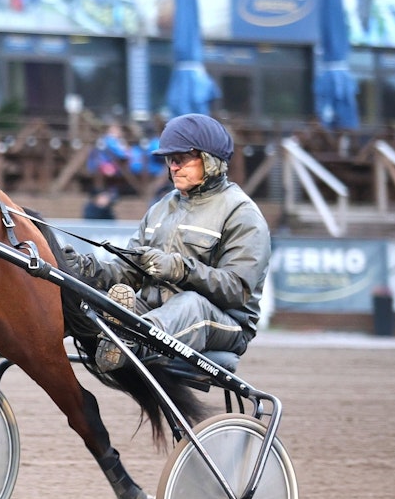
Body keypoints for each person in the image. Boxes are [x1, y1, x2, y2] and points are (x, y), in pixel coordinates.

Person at [64, 113, 271, 372]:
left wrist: (180, 269)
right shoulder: (161, 208)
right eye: (170, 160)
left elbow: (238, 290)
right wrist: (84, 268)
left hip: (223, 323)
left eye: (182, 159)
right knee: (85, 300)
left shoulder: (241, 213)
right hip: (154, 313)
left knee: (189, 304)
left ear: (209, 161)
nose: (173, 166)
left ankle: (126, 339)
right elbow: (128, 271)